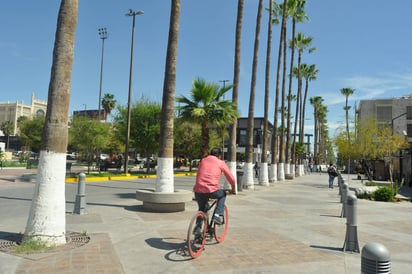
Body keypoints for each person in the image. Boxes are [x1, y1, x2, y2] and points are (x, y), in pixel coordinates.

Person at [193, 147, 236, 225]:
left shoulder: (203, 160)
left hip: (198, 190)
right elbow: (231, 178)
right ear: (219, 156)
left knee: (202, 209)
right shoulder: (221, 163)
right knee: (222, 194)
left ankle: (198, 229)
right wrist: (233, 189)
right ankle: (216, 215)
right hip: (212, 190)